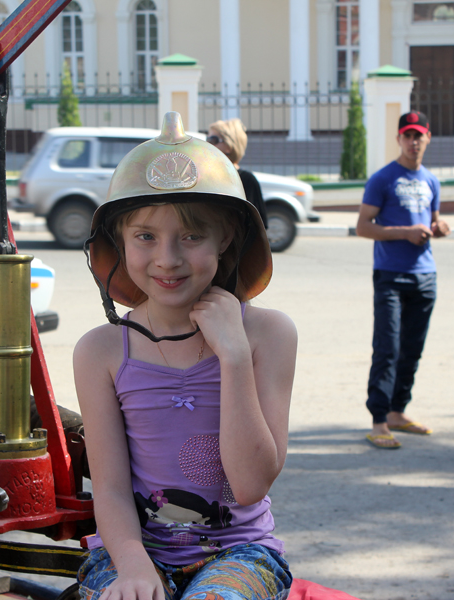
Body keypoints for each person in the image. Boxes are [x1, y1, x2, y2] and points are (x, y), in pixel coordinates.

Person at [74, 111, 297, 600]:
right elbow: (109, 489)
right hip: (133, 551)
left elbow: (249, 487)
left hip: (241, 553)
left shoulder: (268, 335)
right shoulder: (101, 350)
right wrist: (133, 568)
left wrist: (233, 356)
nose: (168, 259)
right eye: (146, 236)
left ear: (228, 238)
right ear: (118, 241)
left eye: (192, 236)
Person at [356, 110, 451, 450]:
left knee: (412, 350)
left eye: (419, 136)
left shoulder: (431, 180)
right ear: (399, 139)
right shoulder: (383, 179)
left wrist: (439, 228)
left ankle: (398, 411)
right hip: (390, 276)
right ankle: (379, 420)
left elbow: (434, 220)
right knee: (388, 348)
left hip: (425, 276)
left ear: (427, 139)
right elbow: (363, 226)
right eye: (408, 136)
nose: (414, 142)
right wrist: (405, 233)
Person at [207, 118, 269, 228]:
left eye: (212, 140)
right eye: (207, 140)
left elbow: (259, 226)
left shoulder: (246, 180)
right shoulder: (204, 177)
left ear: (229, 146)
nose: (207, 144)